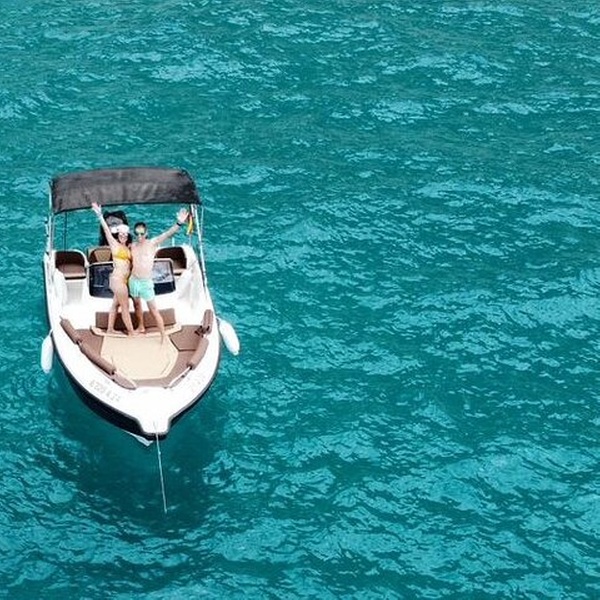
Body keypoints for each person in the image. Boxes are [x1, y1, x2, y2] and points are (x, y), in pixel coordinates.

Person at [129, 208, 189, 341]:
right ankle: (141, 327)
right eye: (137, 233)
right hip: (133, 280)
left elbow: (167, 234)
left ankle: (163, 336)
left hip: (145, 282)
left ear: (146, 233)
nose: (139, 236)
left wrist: (179, 223)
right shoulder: (132, 246)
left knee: (153, 310)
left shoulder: (152, 243)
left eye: (142, 233)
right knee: (137, 305)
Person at [91, 202, 137, 336]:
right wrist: (99, 215)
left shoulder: (128, 248)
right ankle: (131, 332)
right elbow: (106, 230)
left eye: (125, 234)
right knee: (125, 306)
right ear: (117, 235)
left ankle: (110, 329)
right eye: (121, 234)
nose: (123, 236)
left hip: (124, 280)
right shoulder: (114, 245)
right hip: (117, 280)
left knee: (115, 305)